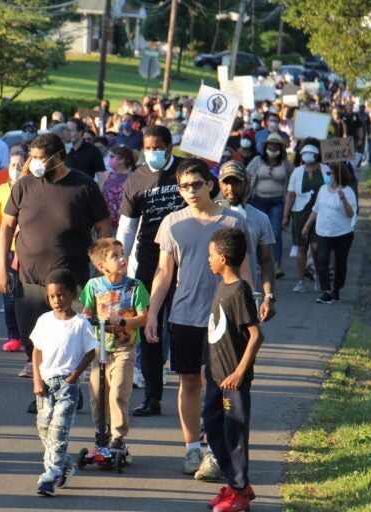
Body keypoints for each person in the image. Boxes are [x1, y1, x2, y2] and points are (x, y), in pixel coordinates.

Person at [144, 158, 251, 476]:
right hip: (184, 316)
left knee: (218, 386)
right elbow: (164, 272)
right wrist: (152, 314)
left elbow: (243, 270)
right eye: (183, 186)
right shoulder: (172, 223)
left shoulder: (233, 222)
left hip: (224, 318)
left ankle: (217, 451)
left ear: (210, 184)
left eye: (195, 184)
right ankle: (193, 449)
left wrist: (250, 309)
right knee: (188, 382)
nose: (189, 191)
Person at [0, 133, 110, 385]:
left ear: (58, 157)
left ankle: (68, 388)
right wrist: (2, 269)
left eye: (40, 158)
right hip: (30, 280)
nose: (34, 162)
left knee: (71, 341)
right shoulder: (24, 185)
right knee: (33, 340)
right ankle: (44, 389)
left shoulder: (84, 186)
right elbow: (5, 227)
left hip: (72, 281)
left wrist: (101, 267)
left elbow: (104, 226)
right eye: (32, 157)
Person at [116, 125, 186, 417]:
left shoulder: (187, 172)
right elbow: (128, 225)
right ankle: (152, 396)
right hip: (148, 262)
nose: (152, 153)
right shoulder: (137, 178)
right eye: (147, 148)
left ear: (170, 147)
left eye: (157, 147)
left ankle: (190, 390)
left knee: (182, 326)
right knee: (149, 328)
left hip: (185, 261)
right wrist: (118, 262)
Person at [203, 228, 263, 512]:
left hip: (233, 381)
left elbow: (255, 335)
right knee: (213, 426)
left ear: (223, 258)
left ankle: (239, 493)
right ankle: (235, 482)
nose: (208, 260)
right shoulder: (222, 285)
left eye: (211, 255)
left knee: (234, 435)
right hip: (217, 378)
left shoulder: (238, 290)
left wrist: (239, 373)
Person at [31, 269, 97, 497]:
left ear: (72, 294)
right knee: (44, 428)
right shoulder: (44, 320)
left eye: (61, 295)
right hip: (45, 384)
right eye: (52, 297)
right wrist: (36, 380)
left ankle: (49, 476)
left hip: (67, 386)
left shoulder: (80, 324)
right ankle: (65, 463)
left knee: (58, 431)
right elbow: (36, 351)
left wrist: (74, 376)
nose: (57, 301)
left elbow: (91, 352)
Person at [80, 239, 148, 452]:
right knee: (97, 394)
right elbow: (87, 312)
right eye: (115, 256)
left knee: (118, 392)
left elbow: (143, 317)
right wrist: (84, 320)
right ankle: (103, 430)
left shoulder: (134, 287)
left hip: (124, 348)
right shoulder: (94, 286)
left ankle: (118, 435)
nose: (122, 259)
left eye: (122, 253)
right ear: (101, 266)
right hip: (100, 349)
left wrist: (126, 322)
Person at [217, 161, 277, 322]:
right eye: (226, 182)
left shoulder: (260, 218)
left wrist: (268, 296)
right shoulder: (209, 215)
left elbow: (267, 262)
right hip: (211, 297)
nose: (230, 188)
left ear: (247, 183)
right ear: (218, 184)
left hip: (244, 295)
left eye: (236, 182)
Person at [301, 162, 357, 304]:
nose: (327, 176)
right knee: (322, 259)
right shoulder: (323, 189)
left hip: (342, 232)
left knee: (340, 262)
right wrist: (307, 225)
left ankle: (336, 288)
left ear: (336, 175)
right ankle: (326, 291)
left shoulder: (348, 191)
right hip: (323, 231)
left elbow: (351, 214)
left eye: (329, 173)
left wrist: (343, 198)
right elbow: (316, 209)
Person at [283, 138, 329, 294]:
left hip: (320, 213)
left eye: (310, 153)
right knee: (301, 248)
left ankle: (317, 273)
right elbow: (290, 194)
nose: (307, 156)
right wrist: (286, 215)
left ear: (316, 155)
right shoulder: (297, 172)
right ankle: (301, 280)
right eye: (304, 153)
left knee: (316, 247)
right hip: (300, 214)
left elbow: (332, 188)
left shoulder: (325, 169)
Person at [0, 148, 25, 352]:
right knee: (10, 296)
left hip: (29, 249)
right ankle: (13, 336)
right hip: (9, 250)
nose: (16, 169)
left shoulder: (33, 188)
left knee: (29, 296)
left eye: (20, 166)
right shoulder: (2, 190)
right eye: (13, 166)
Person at [246, 132, 292, 278]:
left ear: (280, 147)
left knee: (275, 233)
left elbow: (291, 182)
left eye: (276, 145)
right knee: (259, 234)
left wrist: (288, 209)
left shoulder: (286, 164)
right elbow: (247, 176)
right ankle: (260, 265)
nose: (273, 147)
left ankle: (276, 265)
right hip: (258, 201)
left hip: (278, 202)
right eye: (270, 144)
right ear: (266, 146)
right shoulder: (257, 161)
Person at [100, 146, 135, 232]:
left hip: (125, 224)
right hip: (106, 222)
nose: (109, 160)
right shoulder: (105, 175)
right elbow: (98, 197)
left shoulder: (133, 177)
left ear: (122, 160)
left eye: (112, 157)